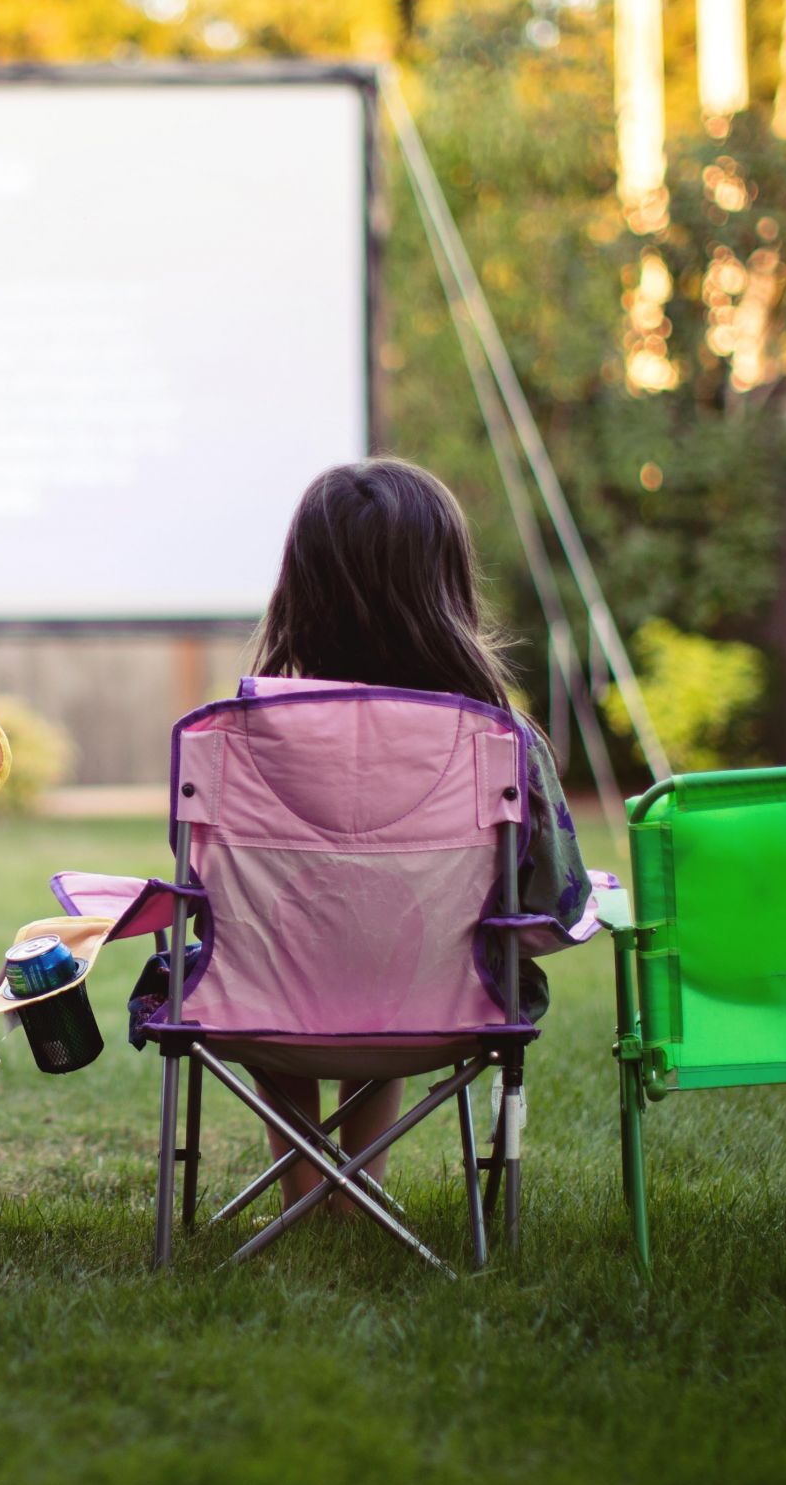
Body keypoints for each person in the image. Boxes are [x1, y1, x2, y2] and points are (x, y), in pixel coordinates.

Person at [242, 457, 595, 1213]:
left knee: (276, 956)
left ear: (299, 588)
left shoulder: (241, 739)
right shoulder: (500, 740)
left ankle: (307, 1195)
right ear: (446, 585)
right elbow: (554, 905)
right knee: (399, 945)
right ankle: (355, 1189)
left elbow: (215, 897)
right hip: (439, 1005)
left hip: (263, 1010)